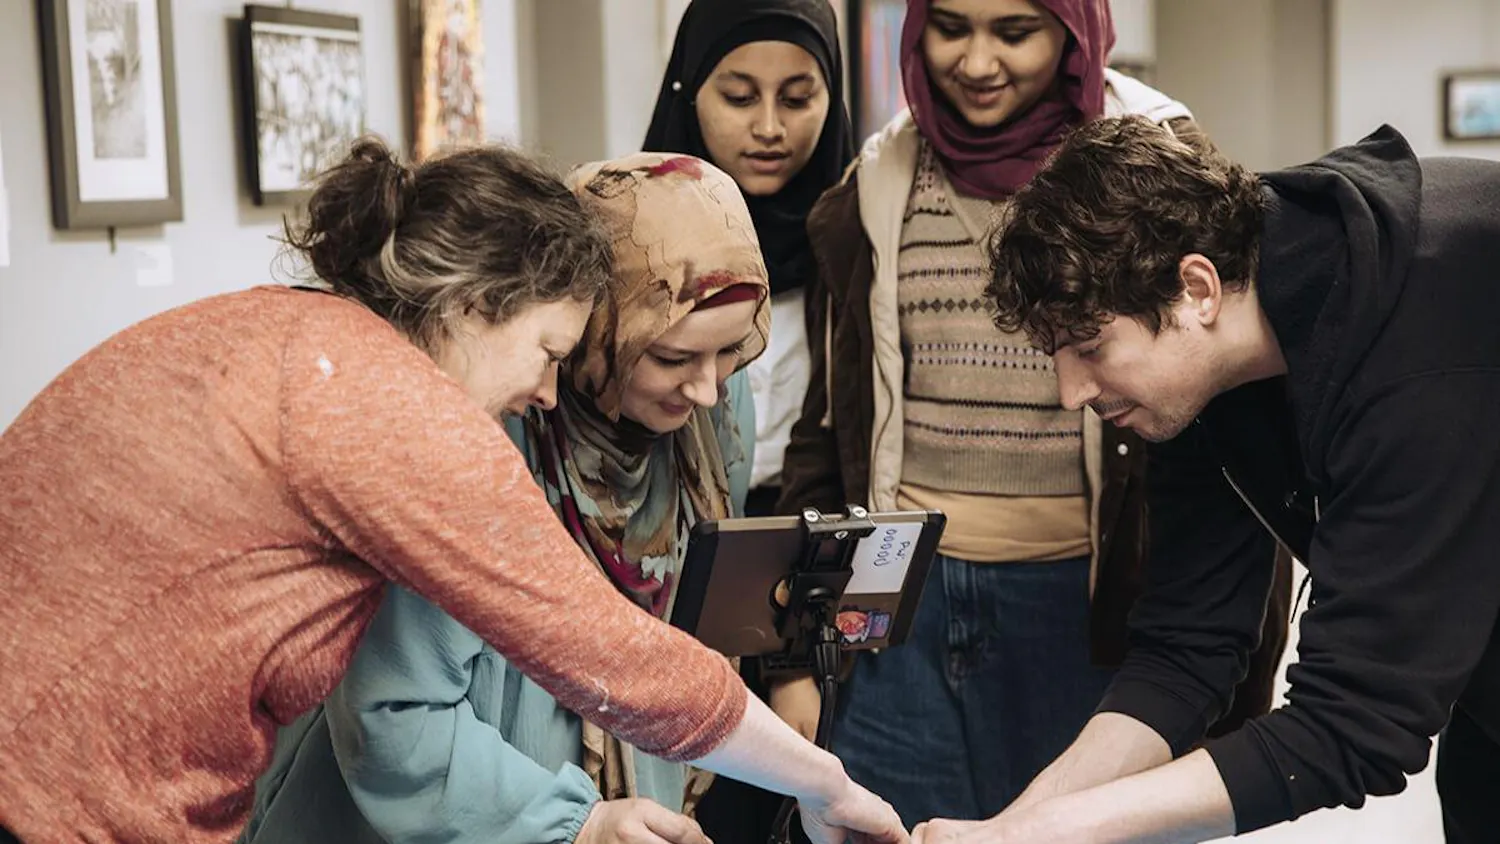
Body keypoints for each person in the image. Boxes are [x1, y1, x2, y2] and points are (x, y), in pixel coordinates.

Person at [0, 139, 906, 844]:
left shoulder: (288, 334)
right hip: (55, 793)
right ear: (475, 306)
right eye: (551, 353)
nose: (549, 392)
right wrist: (827, 785)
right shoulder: (394, 409)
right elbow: (621, 664)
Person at [776, 0, 1290, 829]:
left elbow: (1231, 428)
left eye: (1014, 32)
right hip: (900, 600)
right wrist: (794, 652)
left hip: (1090, 602)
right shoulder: (872, 184)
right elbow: (829, 426)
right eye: (951, 27)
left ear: (1074, 30)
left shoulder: (1162, 161)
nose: (978, 62)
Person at [935, 114, 1500, 844]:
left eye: (1090, 346)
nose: (1071, 392)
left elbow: (1355, 724)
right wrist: (1016, 827)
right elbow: (1188, 646)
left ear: (1196, 289)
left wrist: (1048, 835)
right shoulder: (1208, 367)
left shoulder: (1420, 344)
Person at [241, 151, 770, 844]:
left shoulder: (715, 417)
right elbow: (394, 714)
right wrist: (573, 823)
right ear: (591, 330)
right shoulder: (480, 420)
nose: (705, 388)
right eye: (671, 358)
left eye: (730, 353)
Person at [642, 3, 855, 839]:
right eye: (738, 95)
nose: (770, 128)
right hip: (660, 575)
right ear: (689, 90)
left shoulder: (853, 239)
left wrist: (796, 650)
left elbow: (840, 460)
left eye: (799, 97)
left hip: (811, 582)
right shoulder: (633, 237)